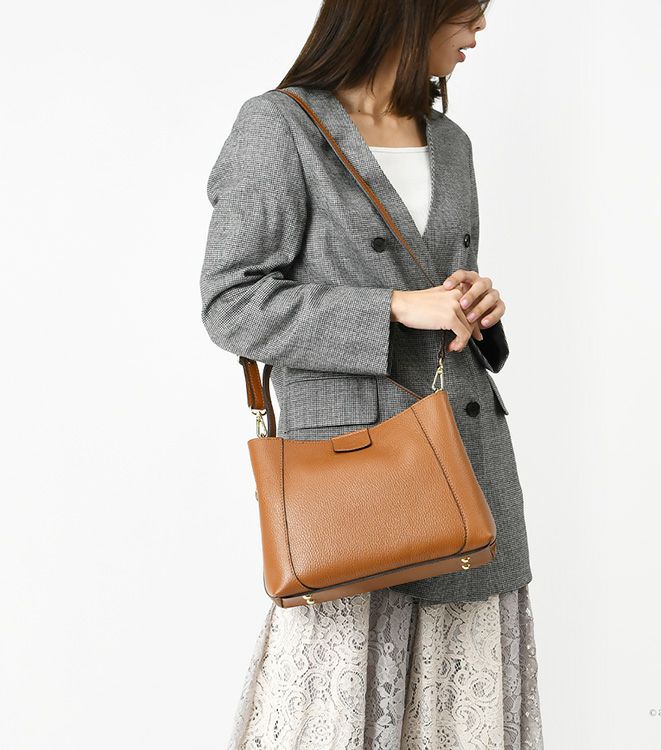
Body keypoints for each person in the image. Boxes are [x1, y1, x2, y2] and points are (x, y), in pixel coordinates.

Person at [200, 1, 544, 747]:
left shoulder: (450, 141)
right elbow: (231, 304)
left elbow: (439, 293)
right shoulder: (280, 126)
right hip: (354, 491)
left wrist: (475, 304)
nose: (480, 31)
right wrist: (394, 307)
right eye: (468, 13)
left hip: (466, 468)